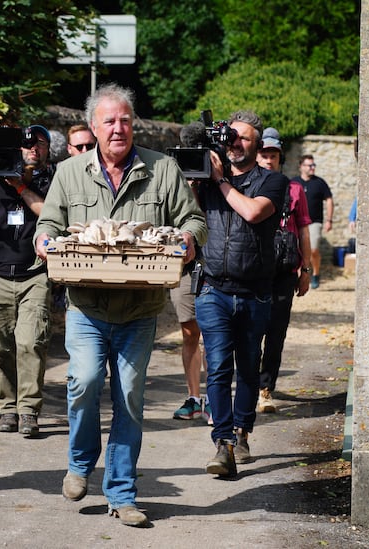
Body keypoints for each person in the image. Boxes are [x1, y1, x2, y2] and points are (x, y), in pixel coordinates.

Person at [34, 83, 206, 527]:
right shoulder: (70, 173)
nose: (118, 128)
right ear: (93, 127)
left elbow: (193, 219)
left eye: (125, 120)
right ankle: (79, 461)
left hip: (140, 308)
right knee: (84, 382)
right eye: (109, 121)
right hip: (86, 306)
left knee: (129, 397)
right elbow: (49, 221)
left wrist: (188, 240)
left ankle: (123, 494)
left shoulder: (162, 169)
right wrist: (42, 240)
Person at [194, 111, 288, 479]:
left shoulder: (273, 181)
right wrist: (199, 174)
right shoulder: (207, 178)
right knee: (217, 367)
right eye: (232, 137)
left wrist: (219, 181)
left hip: (255, 292)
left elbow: (251, 212)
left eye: (245, 139)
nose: (236, 143)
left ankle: (242, 430)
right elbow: (183, 210)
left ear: (258, 144)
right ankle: (223, 443)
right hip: (213, 288)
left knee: (248, 369)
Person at [0, 124, 53, 438]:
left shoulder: (52, 180)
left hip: (34, 273)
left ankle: (29, 410)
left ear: (47, 150)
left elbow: (49, 215)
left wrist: (20, 188)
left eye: (40, 144)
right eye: (27, 145)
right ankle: (8, 409)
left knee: (32, 343)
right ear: (17, 149)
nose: (33, 149)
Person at [255, 128, 313, 414]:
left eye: (273, 155)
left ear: (280, 158)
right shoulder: (248, 186)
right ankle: (249, 384)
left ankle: (266, 389)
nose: (268, 160)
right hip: (253, 269)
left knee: (276, 332)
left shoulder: (294, 190)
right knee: (251, 330)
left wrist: (307, 269)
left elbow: (303, 228)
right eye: (264, 155)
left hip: (284, 269)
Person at [171, 121, 209, 424]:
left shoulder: (217, 174)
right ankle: (194, 397)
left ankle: (214, 398)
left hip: (213, 265)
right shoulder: (173, 173)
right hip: (184, 268)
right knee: (189, 332)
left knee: (214, 334)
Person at [291, 155, 333, 289]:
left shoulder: (320, 183)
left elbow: (329, 200)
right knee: (296, 250)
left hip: (314, 222)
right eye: (310, 165)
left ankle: (315, 274)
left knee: (313, 249)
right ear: (301, 167)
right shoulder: (294, 182)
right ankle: (300, 276)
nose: (312, 168)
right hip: (297, 222)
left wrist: (329, 220)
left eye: (313, 165)